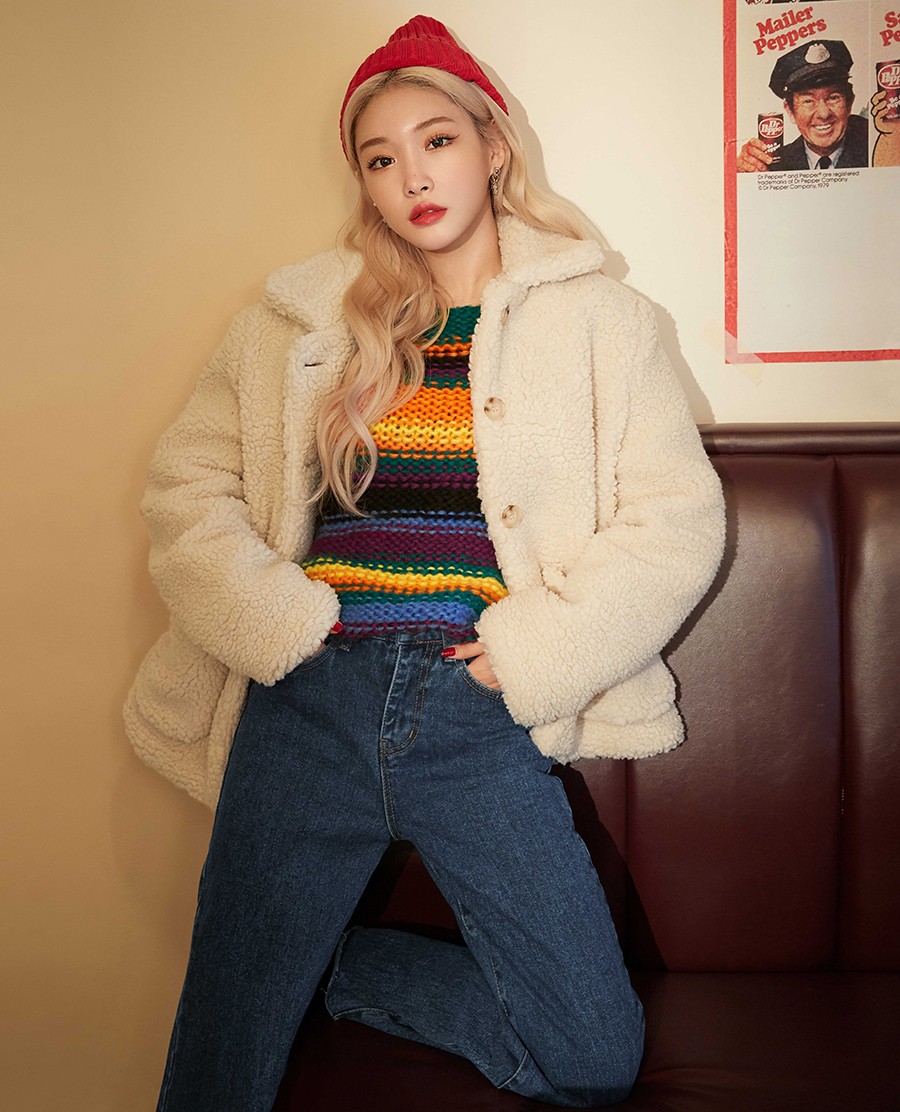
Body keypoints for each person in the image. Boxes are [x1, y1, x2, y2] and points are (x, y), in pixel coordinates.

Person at [126, 15, 725, 1111]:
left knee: (594, 1059)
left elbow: (676, 524)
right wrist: (285, 629)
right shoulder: (295, 324)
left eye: (437, 141)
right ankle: (285, 970)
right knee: (219, 1068)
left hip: (473, 705)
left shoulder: (605, 321)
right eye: (380, 157)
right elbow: (184, 492)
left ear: (492, 146)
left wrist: (524, 656)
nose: (413, 176)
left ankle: (335, 968)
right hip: (304, 697)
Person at [737, 39, 868, 171]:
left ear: (849, 103)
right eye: (808, 101)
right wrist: (742, 172)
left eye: (833, 98)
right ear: (790, 111)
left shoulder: (874, 147)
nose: (823, 114)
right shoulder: (773, 164)